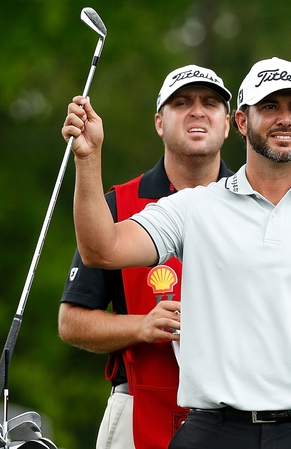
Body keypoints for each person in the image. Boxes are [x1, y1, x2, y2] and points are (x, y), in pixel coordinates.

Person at [66, 57, 291, 449]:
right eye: (269, 107)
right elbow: (101, 249)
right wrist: (88, 159)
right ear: (243, 123)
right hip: (213, 428)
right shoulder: (194, 207)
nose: (285, 119)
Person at [58, 65, 234, 449]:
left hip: (237, 412)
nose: (197, 111)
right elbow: (71, 322)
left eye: (210, 103)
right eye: (182, 102)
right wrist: (140, 327)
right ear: (159, 122)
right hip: (138, 404)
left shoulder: (256, 207)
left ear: (228, 124)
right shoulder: (116, 206)